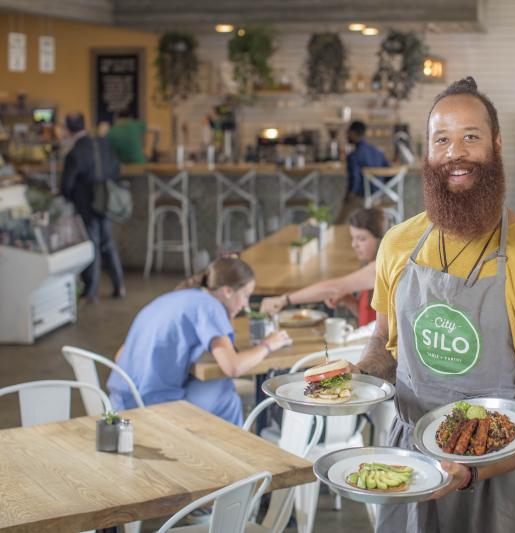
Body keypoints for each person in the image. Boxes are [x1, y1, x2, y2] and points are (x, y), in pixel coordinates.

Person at [350, 77, 515, 532]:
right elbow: (385, 339)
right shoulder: (398, 246)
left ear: (496, 147)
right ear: (428, 154)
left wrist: (472, 470)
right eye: (442, 140)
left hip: (498, 480)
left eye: (470, 138)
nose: (455, 153)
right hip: (409, 466)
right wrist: (358, 373)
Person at [107, 257, 291, 425]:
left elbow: (120, 354)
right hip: (151, 408)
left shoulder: (175, 297)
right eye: (245, 296)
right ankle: (231, 456)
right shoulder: (209, 307)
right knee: (225, 392)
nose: (245, 304)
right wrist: (268, 344)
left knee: (212, 387)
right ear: (227, 291)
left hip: (119, 401)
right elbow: (233, 367)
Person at [260, 208, 390, 326]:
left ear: (380, 240)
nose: (354, 245)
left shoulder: (380, 268)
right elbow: (369, 320)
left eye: (361, 239)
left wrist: (284, 300)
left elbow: (333, 288)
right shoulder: (371, 266)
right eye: (353, 238)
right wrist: (347, 299)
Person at [60, 112, 125, 300]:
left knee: (92, 244)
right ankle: (119, 285)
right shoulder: (102, 143)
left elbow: (67, 185)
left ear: (68, 129)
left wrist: (67, 196)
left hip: (87, 204)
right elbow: (116, 168)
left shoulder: (75, 152)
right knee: (107, 242)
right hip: (106, 199)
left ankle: (91, 290)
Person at [336, 121, 390, 224]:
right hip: (379, 197)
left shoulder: (353, 156)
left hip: (363, 198)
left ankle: (336, 234)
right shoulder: (377, 151)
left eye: (348, 132)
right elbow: (389, 173)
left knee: (340, 220)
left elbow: (355, 182)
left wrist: (348, 197)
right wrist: (381, 189)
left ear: (352, 133)